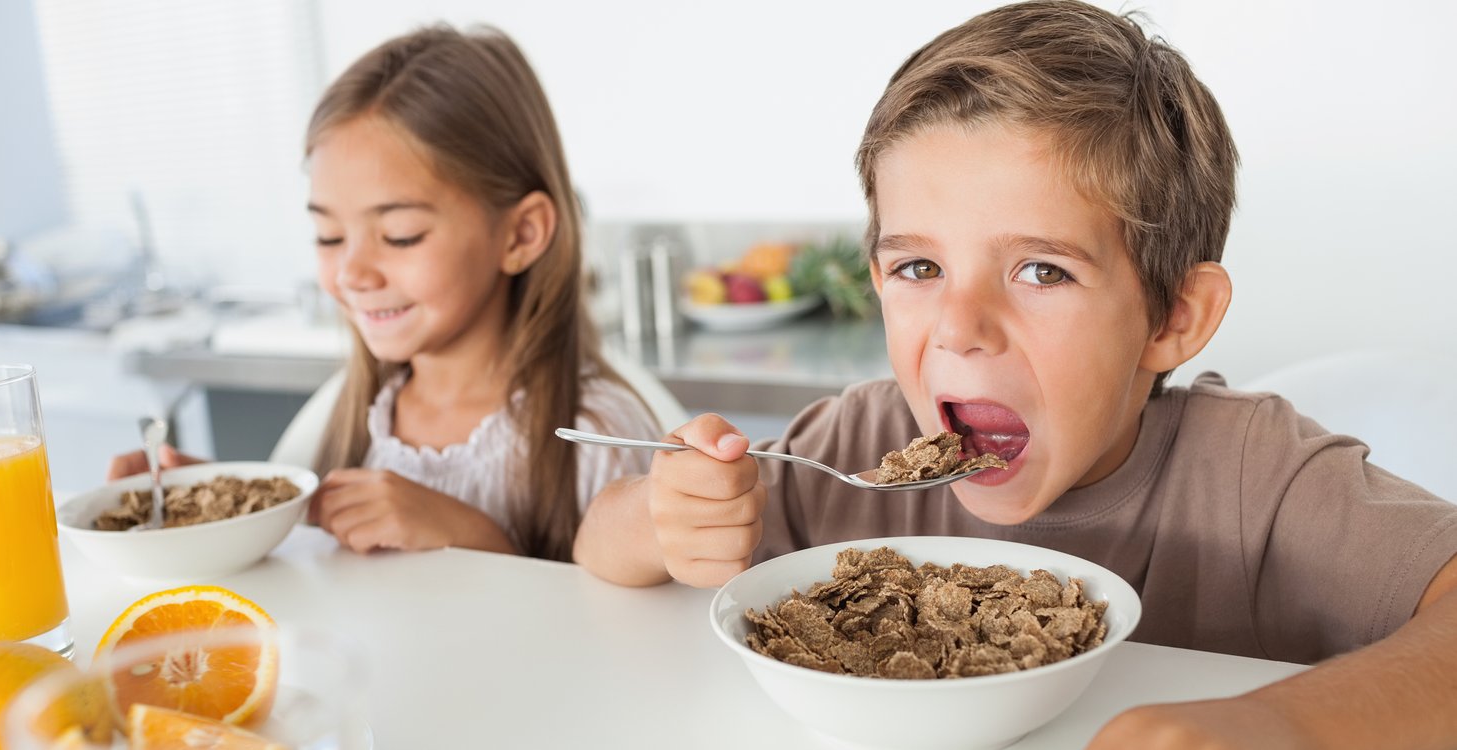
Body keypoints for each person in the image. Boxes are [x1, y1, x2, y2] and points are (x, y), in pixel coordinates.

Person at [571, 2, 1457, 746]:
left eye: (1042, 271)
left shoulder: (1253, 478)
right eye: (919, 269)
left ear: (1172, 316)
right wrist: (660, 518)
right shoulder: (853, 445)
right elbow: (602, 551)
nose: (960, 329)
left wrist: (1282, 726)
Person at [109, 25, 659, 561]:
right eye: (329, 236)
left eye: (400, 236)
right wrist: (223, 501)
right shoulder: (361, 414)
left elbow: (620, 639)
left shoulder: (598, 438)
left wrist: (470, 535)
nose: (351, 273)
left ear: (520, 234)